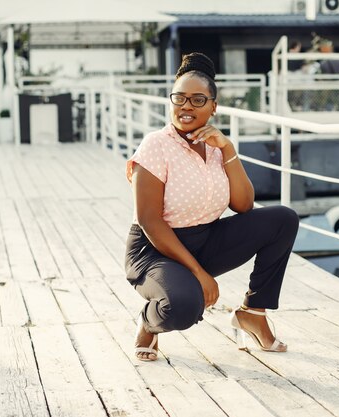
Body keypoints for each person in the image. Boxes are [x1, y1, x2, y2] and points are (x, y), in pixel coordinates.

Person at [124, 52, 299, 361]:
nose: (186, 106)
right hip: (156, 250)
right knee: (183, 307)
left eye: (197, 100)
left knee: (282, 220)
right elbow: (149, 220)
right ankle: (149, 323)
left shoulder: (216, 147)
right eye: (179, 98)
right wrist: (199, 274)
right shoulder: (156, 144)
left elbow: (244, 205)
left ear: (214, 107)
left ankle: (253, 313)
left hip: (205, 239)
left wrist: (228, 148)